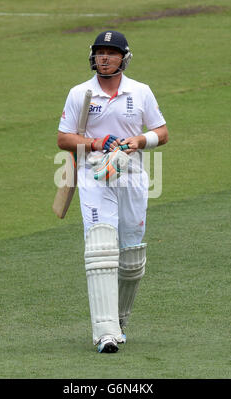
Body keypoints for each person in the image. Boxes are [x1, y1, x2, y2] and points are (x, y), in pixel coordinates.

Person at [57, 30, 168, 353]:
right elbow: (64, 139)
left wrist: (137, 141)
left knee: (131, 255)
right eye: (99, 52)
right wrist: (94, 142)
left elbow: (162, 132)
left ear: (124, 57)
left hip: (131, 175)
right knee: (101, 245)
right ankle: (104, 332)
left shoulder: (141, 91)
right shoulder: (80, 93)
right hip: (95, 174)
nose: (103, 58)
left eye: (110, 52)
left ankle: (118, 320)